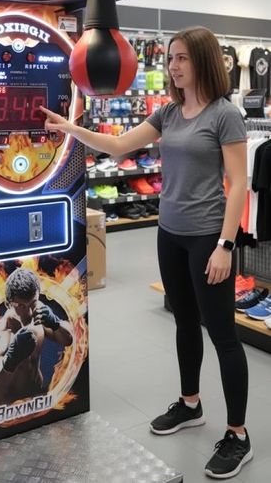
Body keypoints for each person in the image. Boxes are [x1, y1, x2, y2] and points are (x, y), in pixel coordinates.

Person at [41, 26, 251, 479]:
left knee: (223, 335)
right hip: (169, 233)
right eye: (171, 57)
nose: (173, 66)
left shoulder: (224, 114)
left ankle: (238, 434)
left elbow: (238, 185)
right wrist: (70, 128)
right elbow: (119, 145)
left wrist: (225, 245)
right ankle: (190, 404)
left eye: (183, 58)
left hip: (207, 238)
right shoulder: (170, 113)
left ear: (203, 61)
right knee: (184, 322)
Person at [0, 268, 73, 413]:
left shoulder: (37, 311)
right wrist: (9, 361)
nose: (29, 312)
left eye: (33, 303)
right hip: (13, 408)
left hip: (38, 398)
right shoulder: (1, 337)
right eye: (21, 306)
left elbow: (68, 340)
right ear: (8, 303)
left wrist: (55, 323)